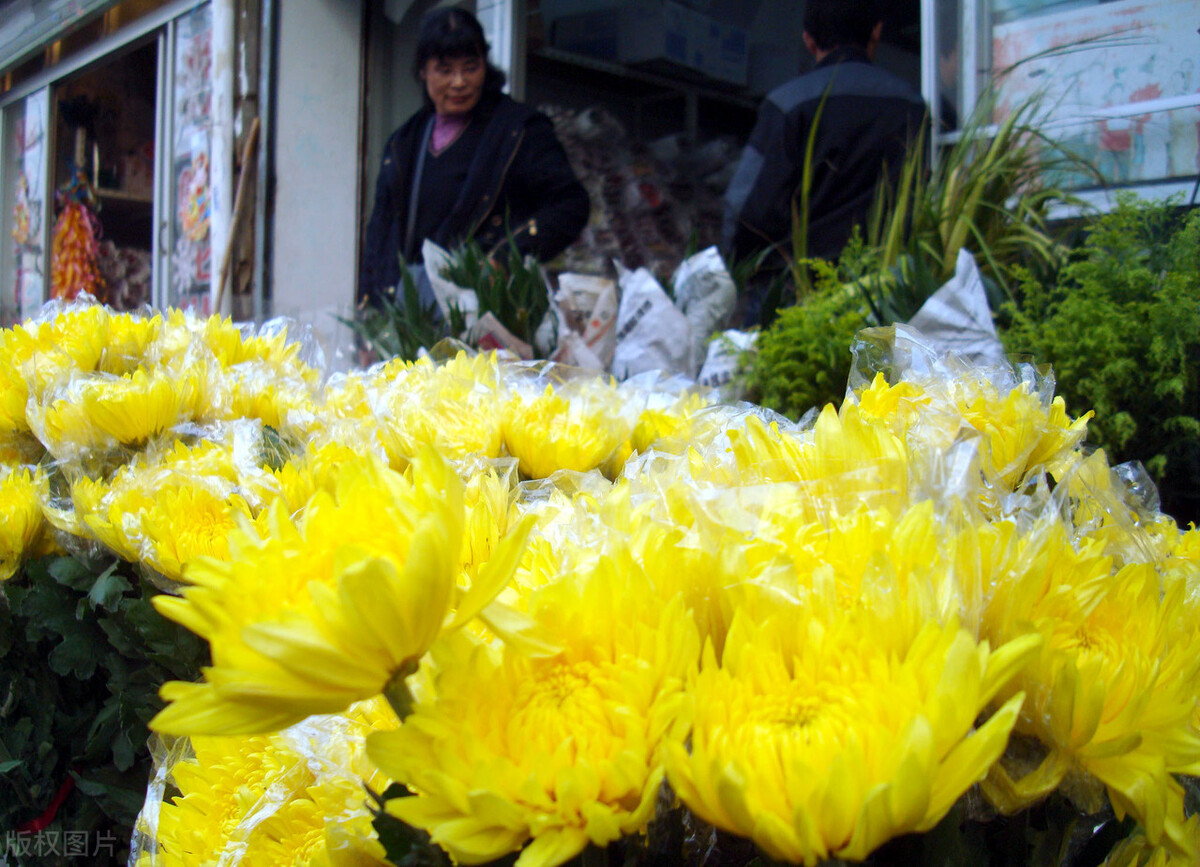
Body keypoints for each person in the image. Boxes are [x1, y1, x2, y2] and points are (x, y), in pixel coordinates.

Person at [360, 7, 589, 306]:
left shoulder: (519, 131)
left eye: (470, 67)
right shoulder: (403, 143)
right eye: (445, 70)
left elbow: (570, 205)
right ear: (422, 71)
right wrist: (370, 312)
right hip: (413, 316)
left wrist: (507, 256)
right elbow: (380, 235)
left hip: (491, 309)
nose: (459, 82)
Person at [722, 0, 927, 325]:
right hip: (886, 298)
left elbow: (748, 210)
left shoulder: (789, 104)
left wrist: (738, 269)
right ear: (876, 30)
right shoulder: (912, 107)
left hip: (794, 300)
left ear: (808, 40)